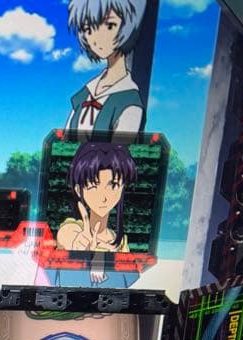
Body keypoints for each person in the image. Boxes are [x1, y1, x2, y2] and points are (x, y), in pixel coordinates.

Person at [54, 140, 138, 286]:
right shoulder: (73, 227)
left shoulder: (120, 243)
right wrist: (79, 246)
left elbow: (131, 281)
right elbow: (66, 236)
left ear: (123, 187)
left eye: (113, 184)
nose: (103, 197)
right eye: (93, 186)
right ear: (78, 190)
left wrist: (101, 256)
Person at [65, 0, 146, 134]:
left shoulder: (129, 101)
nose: (97, 39)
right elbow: (64, 140)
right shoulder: (84, 93)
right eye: (88, 29)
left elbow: (120, 147)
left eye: (109, 25)